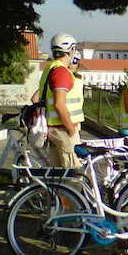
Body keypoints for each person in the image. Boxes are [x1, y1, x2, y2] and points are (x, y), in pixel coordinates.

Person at [34, 33, 84, 167]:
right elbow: (59, 104)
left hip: (52, 127)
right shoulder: (61, 71)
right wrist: (71, 129)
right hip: (62, 129)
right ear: (70, 50)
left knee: (57, 173)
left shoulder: (50, 68)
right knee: (74, 173)